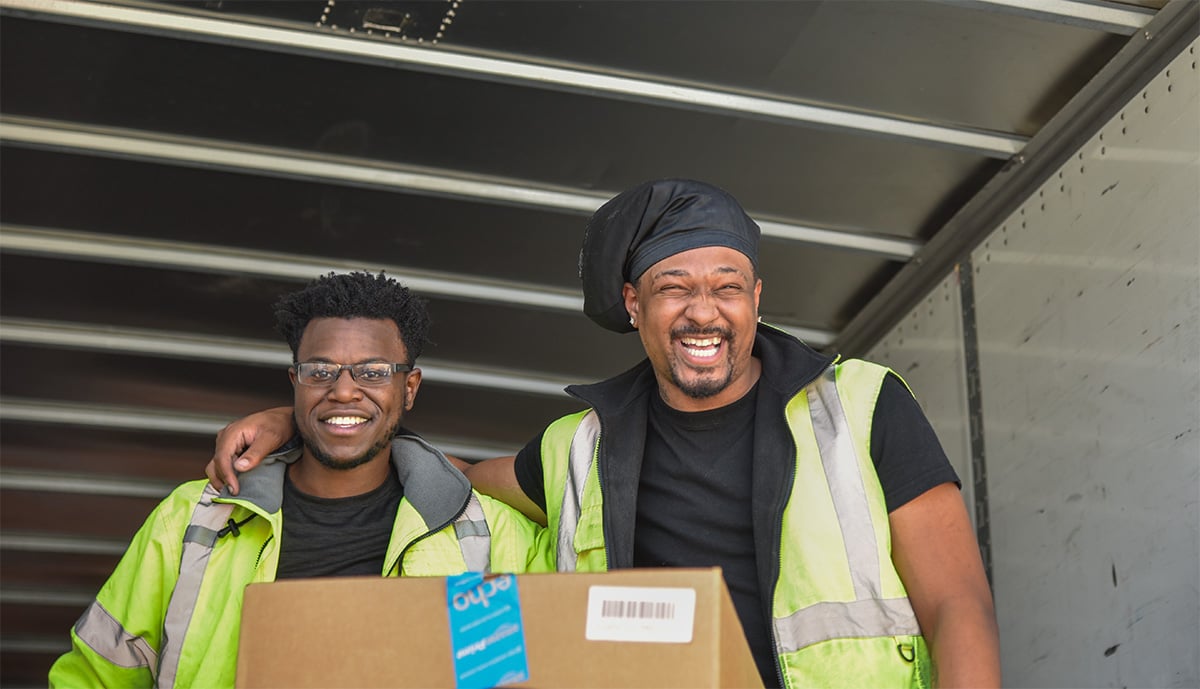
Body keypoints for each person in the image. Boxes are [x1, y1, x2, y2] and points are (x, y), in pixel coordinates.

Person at [208, 180, 1001, 688]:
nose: (702, 309)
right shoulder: (578, 447)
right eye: (672, 287)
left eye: (727, 285)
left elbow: (957, 602)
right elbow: (446, 472)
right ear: (632, 304)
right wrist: (314, 416)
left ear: (756, 298)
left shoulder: (860, 404)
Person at [51, 271, 550, 689]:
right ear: (295, 382)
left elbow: (511, 674)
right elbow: (94, 676)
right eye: (321, 371)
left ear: (409, 387)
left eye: (373, 372)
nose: (344, 391)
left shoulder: (486, 536)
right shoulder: (196, 518)